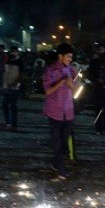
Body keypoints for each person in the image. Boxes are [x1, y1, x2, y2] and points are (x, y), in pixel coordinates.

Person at [42, 43, 76, 181]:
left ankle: (56, 164)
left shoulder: (72, 70)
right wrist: (62, 82)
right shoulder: (50, 70)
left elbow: (75, 89)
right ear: (60, 56)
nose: (70, 59)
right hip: (54, 112)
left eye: (71, 57)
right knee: (57, 143)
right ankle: (61, 171)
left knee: (63, 142)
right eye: (68, 56)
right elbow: (47, 91)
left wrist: (72, 84)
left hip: (68, 111)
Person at [2, 46, 22, 131]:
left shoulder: (20, 62)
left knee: (13, 106)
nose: (12, 53)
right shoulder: (8, 60)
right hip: (6, 86)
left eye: (14, 52)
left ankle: (14, 124)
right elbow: (5, 71)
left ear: (17, 52)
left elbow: (22, 74)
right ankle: (7, 123)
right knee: (5, 105)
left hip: (14, 87)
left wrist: (15, 83)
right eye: (11, 51)